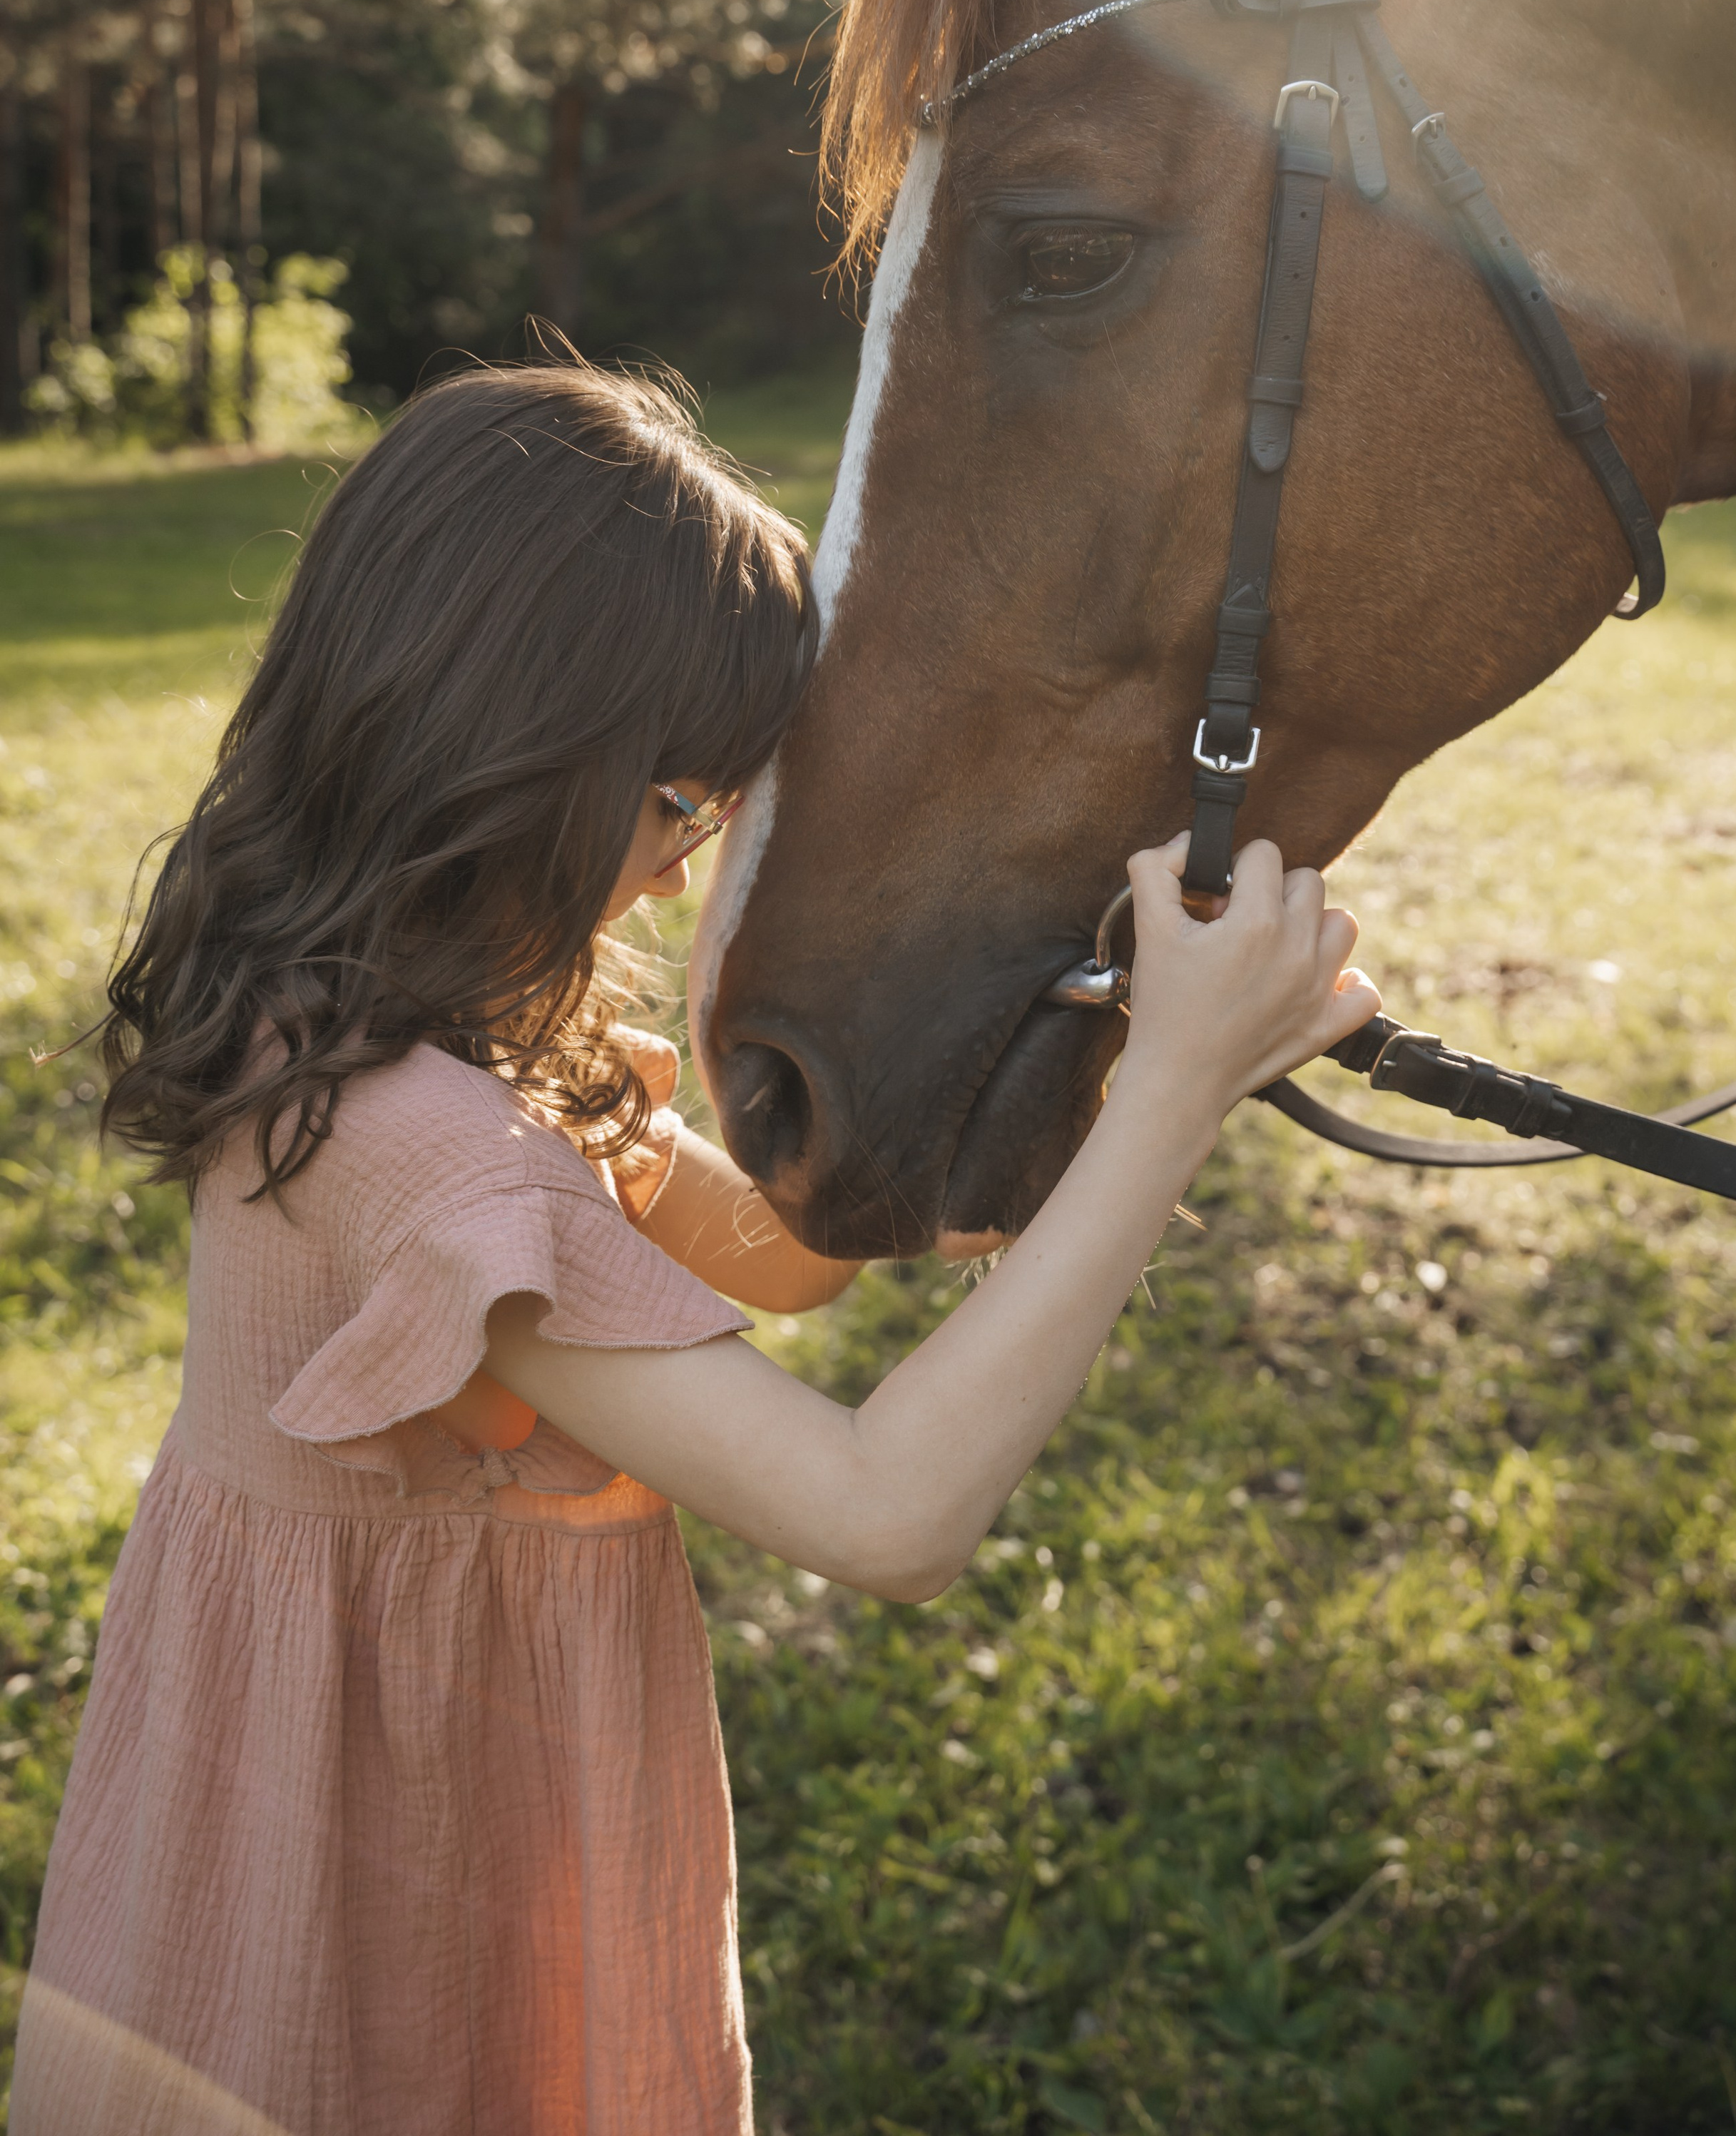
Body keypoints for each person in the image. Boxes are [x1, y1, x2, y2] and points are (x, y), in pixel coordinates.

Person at [10, 362, 1377, 2136]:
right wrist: (1179, 1094)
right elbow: (886, 1516)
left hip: (413, 1795)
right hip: (360, 1874)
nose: (673, 878)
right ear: (503, 744)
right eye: (679, 804)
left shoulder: (387, 1026)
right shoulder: (410, 1146)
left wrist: (1105, 1053)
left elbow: (790, 1253)